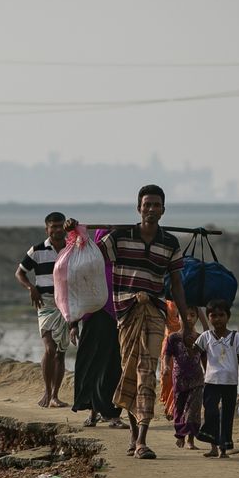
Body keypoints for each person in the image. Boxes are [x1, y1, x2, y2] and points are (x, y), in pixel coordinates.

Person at [67, 185, 189, 460]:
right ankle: (134, 435)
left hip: (155, 313)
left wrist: (184, 322)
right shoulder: (120, 238)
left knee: (147, 371)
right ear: (138, 208)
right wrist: (75, 232)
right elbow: (90, 259)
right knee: (130, 371)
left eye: (156, 205)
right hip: (125, 315)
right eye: (147, 205)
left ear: (163, 210)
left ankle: (143, 439)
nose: (151, 209)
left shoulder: (170, 243)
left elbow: (178, 284)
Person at [70, 228, 126, 429]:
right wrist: (73, 324)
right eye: (102, 242)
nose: (105, 246)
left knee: (113, 367)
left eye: (109, 242)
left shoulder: (120, 267)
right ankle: (93, 413)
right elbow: (76, 293)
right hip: (93, 319)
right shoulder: (88, 266)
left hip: (115, 319)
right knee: (92, 366)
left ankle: (112, 414)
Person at [16, 212, 69, 408]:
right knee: (50, 348)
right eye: (52, 227)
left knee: (61, 352)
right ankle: (47, 391)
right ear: (46, 229)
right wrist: (31, 288)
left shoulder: (71, 248)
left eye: (60, 226)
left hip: (66, 304)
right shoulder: (37, 250)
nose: (56, 230)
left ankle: (55, 395)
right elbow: (19, 272)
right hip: (45, 303)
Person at [195, 298, 239, 458]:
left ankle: (223, 449)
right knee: (211, 413)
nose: (217, 319)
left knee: (227, 416)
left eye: (221, 315)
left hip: (230, 382)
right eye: (213, 315)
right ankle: (213, 447)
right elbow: (197, 354)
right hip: (211, 382)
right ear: (208, 317)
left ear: (228, 317)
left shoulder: (236, 337)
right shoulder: (205, 337)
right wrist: (204, 370)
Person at [162, 305, 204, 449]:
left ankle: (190, 440)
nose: (189, 318)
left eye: (192, 315)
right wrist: (166, 366)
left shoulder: (200, 338)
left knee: (194, 409)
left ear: (197, 318)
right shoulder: (173, 337)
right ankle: (180, 434)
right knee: (179, 408)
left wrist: (209, 373)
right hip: (179, 379)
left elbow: (204, 359)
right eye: (185, 315)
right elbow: (166, 355)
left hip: (197, 378)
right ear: (178, 318)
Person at [158, 300, 182, 419]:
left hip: (183, 341)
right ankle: (168, 406)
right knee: (166, 377)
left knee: (178, 376)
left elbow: (199, 314)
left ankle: (174, 408)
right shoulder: (166, 303)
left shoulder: (188, 299)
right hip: (168, 342)